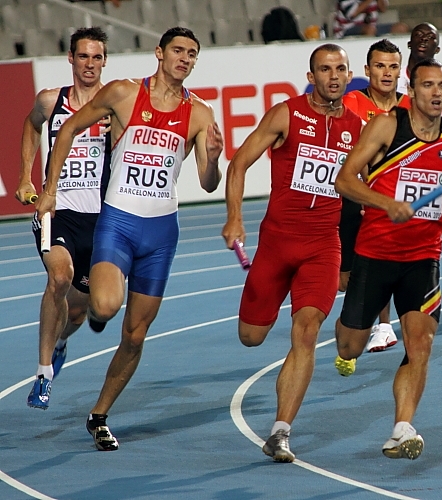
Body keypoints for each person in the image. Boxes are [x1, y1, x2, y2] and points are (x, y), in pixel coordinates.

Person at [35, 27, 223, 451]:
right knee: (104, 306)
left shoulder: (200, 113)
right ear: (159, 53)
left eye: (192, 54)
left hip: (161, 233)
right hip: (118, 221)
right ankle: (98, 306)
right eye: (178, 50)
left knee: (135, 335)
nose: (185, 58)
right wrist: (49, 189)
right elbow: (65, 131)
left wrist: (211, 158)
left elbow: (210, 183)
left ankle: (99, 415)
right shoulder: (123, 93)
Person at [221, 44, 362, 463]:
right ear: (311, 74)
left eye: (340, 69)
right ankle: (272, 302)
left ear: (349, 74)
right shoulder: (286, 113)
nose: (333, 76)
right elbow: (239, 163)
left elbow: (370, 181)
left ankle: (280, 432)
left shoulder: (358, 126)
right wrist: (234, 218)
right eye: (325, 69)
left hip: (323, 245)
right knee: (251, 337)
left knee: (307, 331)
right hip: (277, 242)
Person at [334, 59, 442, 460]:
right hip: (375, 253)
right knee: (349, 347)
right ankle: (346, 326)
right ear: (412, 89)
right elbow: (344, 180)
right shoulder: (387, 126)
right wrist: (385, 203)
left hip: (422, 257)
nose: (436, 93)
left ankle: (403, 427)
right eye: (428, 85)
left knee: (421, 343)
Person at [17, 27, 110, 411]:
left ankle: (60, 343)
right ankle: (42, 374)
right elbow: (31, 124)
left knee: (80, 309)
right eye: (83, 56)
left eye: (97, 57)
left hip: (103, 219)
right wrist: (25, 175)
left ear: (104, 61)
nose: (90, 64)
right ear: (71, 59)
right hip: (58, 211)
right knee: (59, 277)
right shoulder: (51, 100)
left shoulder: (116, 104)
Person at [337, 39, 411, 361]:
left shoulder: (409, 106)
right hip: (353, 200)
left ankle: (385, 325)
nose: (386, 72)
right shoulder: (352, 102)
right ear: (367, 70)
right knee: (346, 283)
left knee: (387, 263)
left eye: (393, 66)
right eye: (380, 66)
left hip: (389, 204)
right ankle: (353, 327)